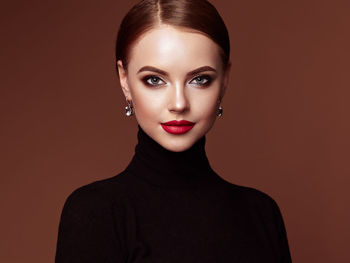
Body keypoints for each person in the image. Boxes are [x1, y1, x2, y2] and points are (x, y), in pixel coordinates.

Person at [55, 0, 292, 262]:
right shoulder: (95, 212)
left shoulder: (261, 214)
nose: (179, 103)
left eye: (200, 79)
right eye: (154, 80)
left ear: (224, 80)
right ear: (125, 80)